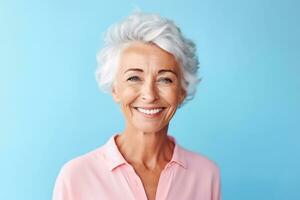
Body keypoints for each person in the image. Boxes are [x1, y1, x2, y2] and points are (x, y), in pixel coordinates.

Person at [52, 12, 221, 200]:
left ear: (181, 91)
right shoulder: (76, 177)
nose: (149, 95)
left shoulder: (206, 175)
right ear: (115, 88)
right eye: (134, 78)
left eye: (165, 80)